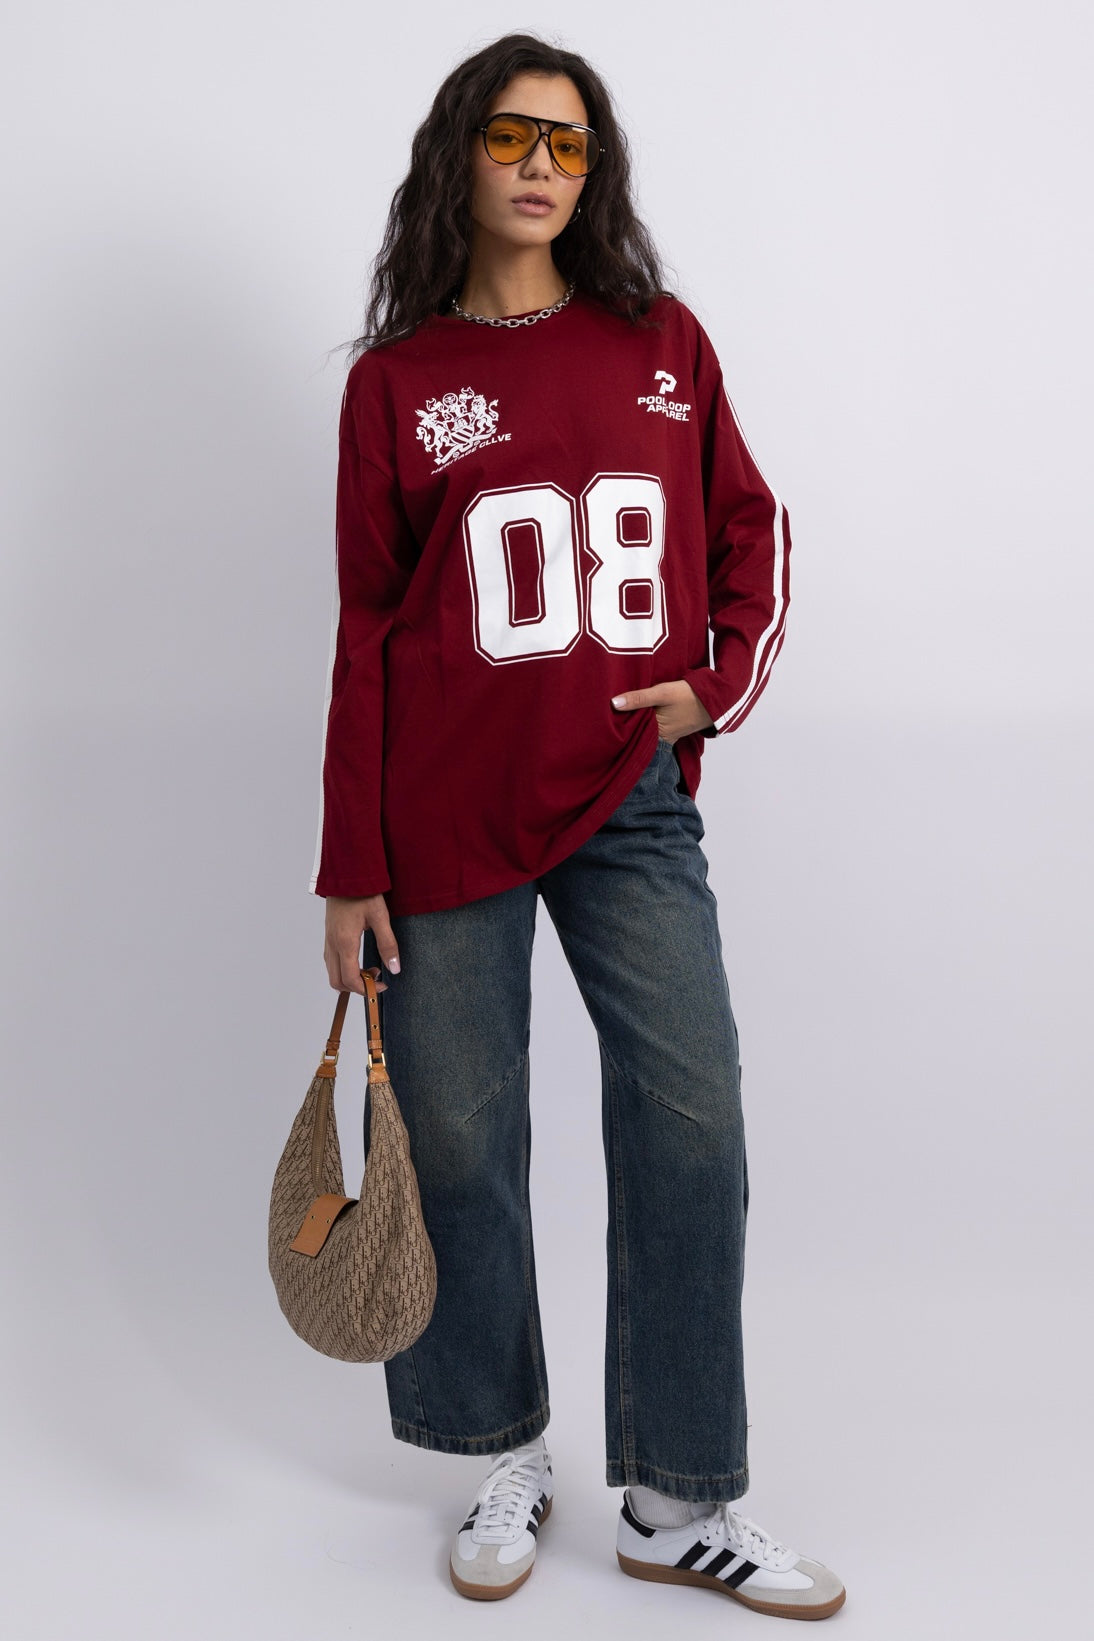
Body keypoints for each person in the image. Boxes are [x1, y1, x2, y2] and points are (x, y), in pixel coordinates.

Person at [308, 31, 845, 1619]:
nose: (541, 167)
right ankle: (498, 1447)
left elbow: (751, 527)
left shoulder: (658, 340)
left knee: (692, 1122)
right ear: (457, 155)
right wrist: (349, 865)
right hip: (442, 814)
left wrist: (711, 684)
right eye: (511, 136)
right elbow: (363, 631)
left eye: (569, 143)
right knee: (462, 1140)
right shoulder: (396, 383)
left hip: (624, 801)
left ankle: (677, 1495)